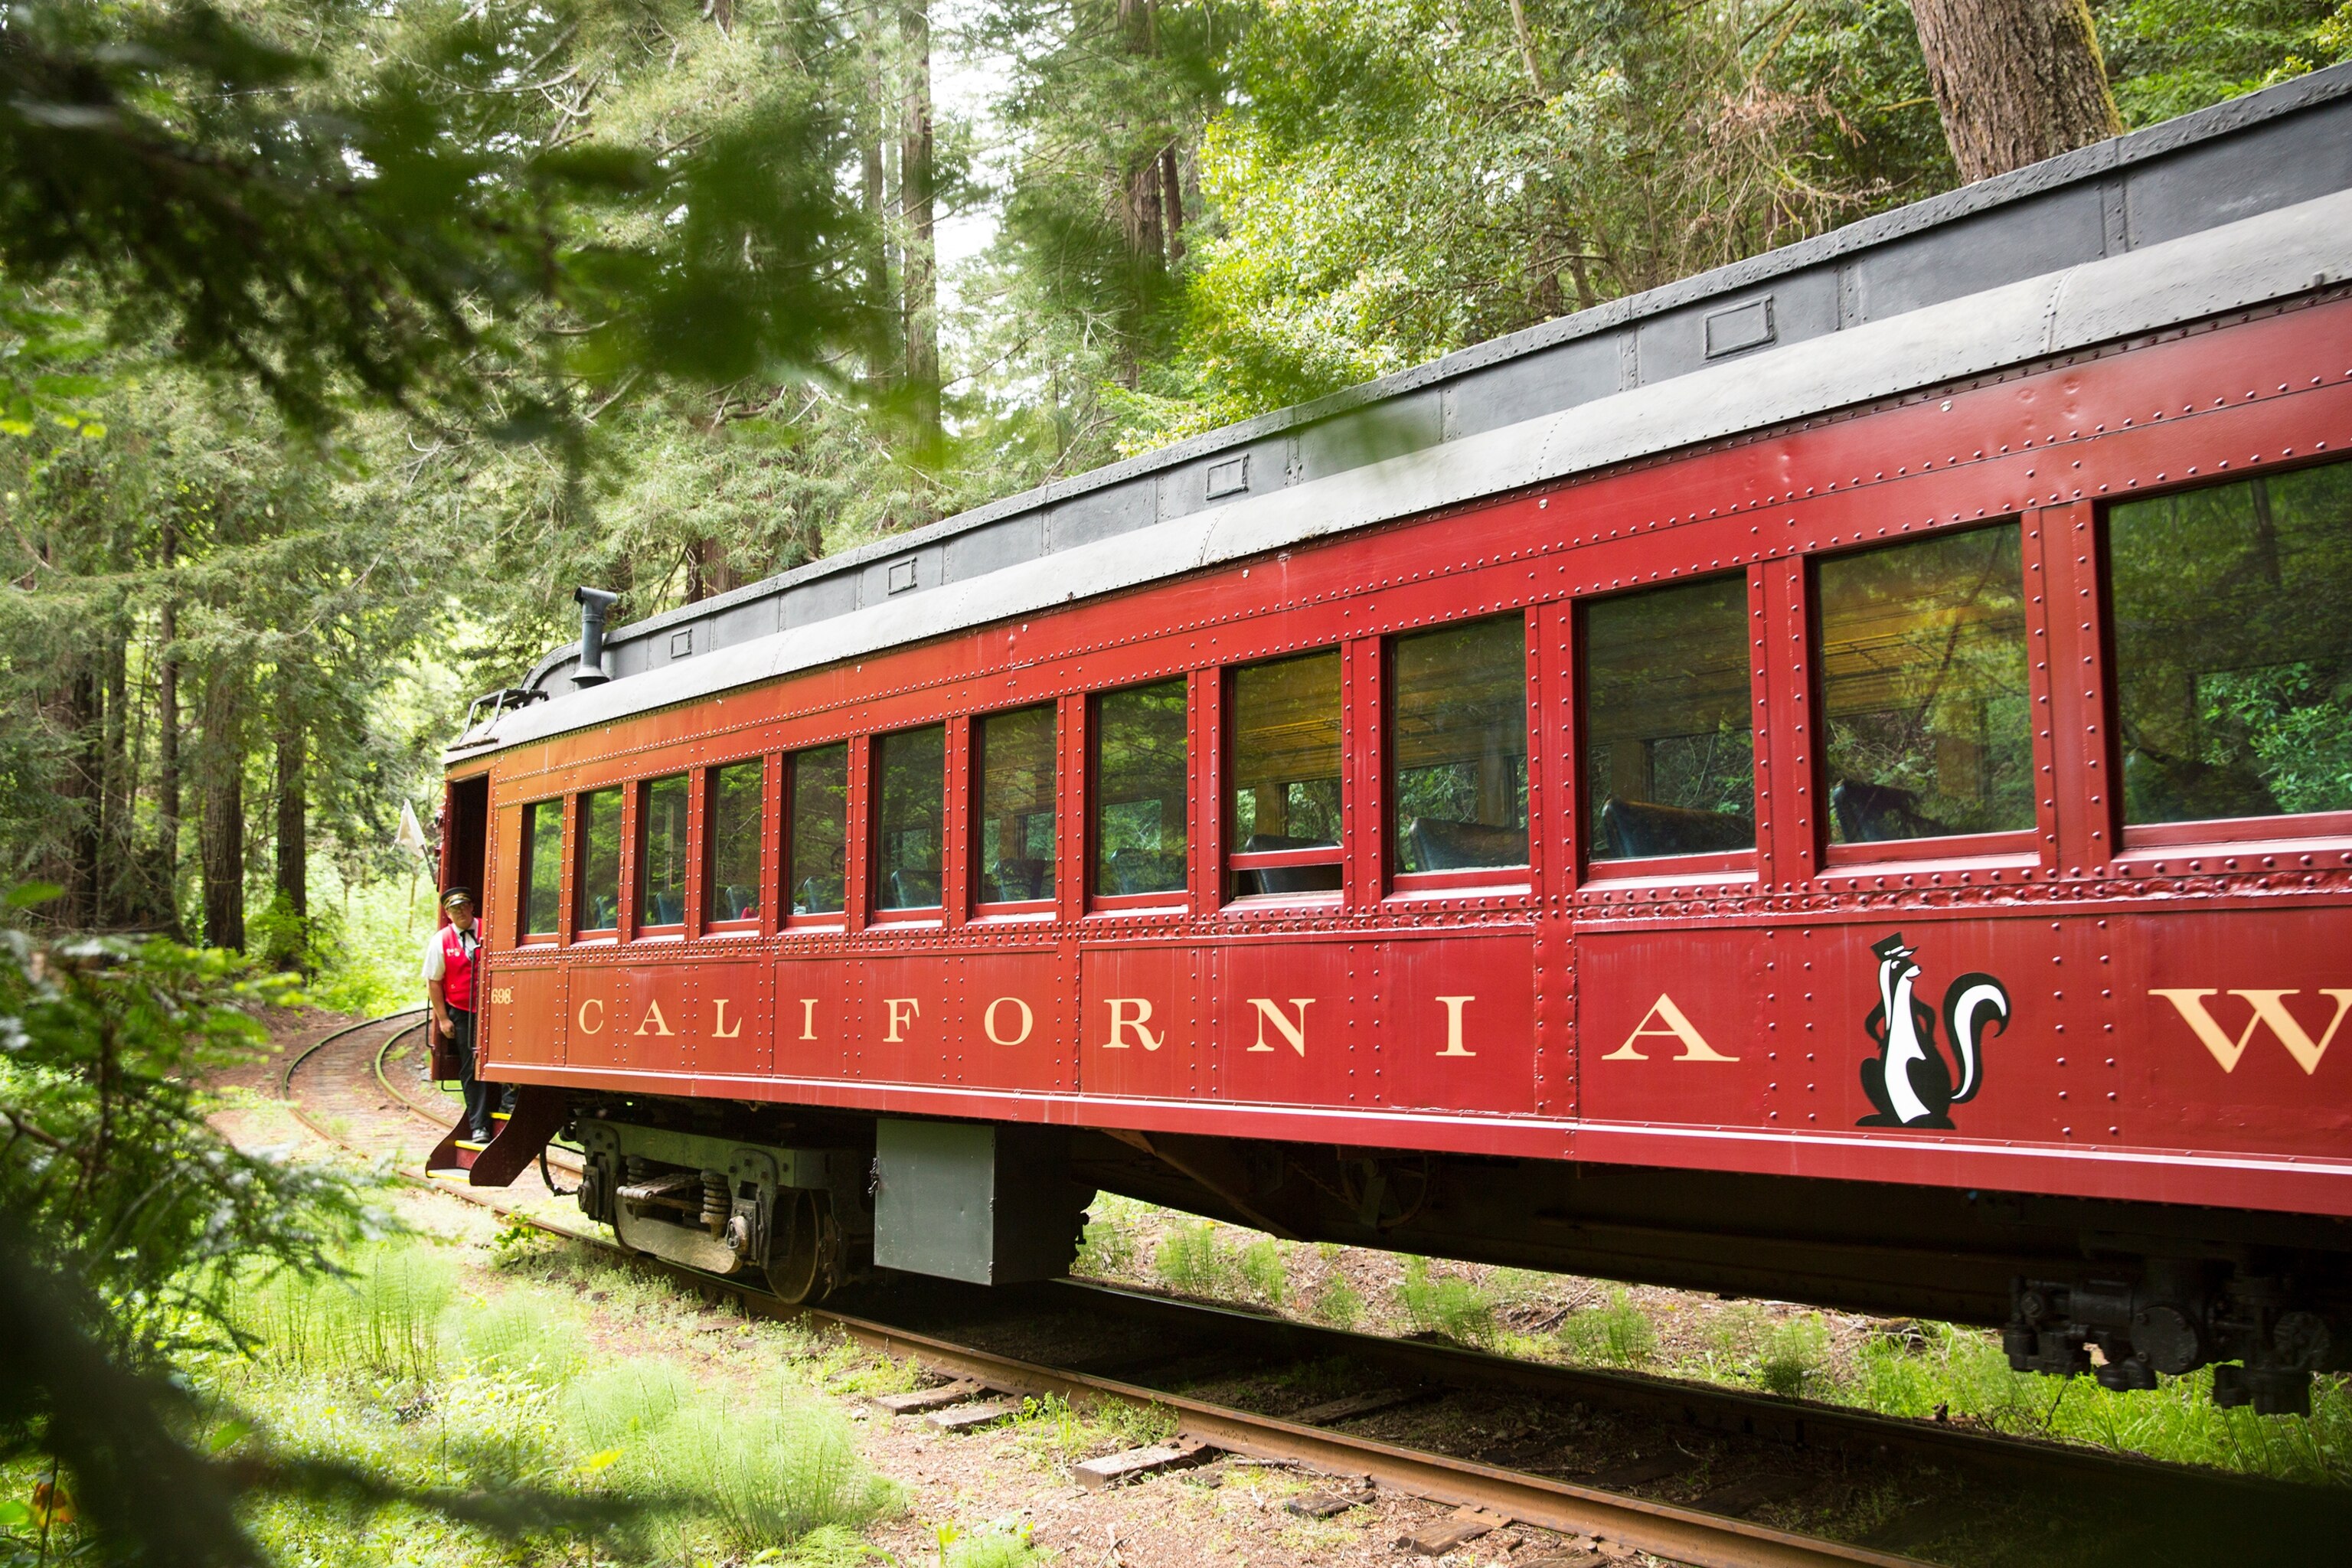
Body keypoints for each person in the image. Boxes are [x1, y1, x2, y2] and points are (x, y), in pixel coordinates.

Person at [421, 886, 495, 1143]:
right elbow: (434, 981)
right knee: (470, 1066)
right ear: (448, 914)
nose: (460, 912)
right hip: (463, 1012)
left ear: (472, 907)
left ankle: (508, 1108)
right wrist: (443, 1018)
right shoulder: (441, 940)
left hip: (495, 1008)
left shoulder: (491, 929)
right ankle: (479, 1126)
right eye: (454, 909)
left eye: (464, 906)